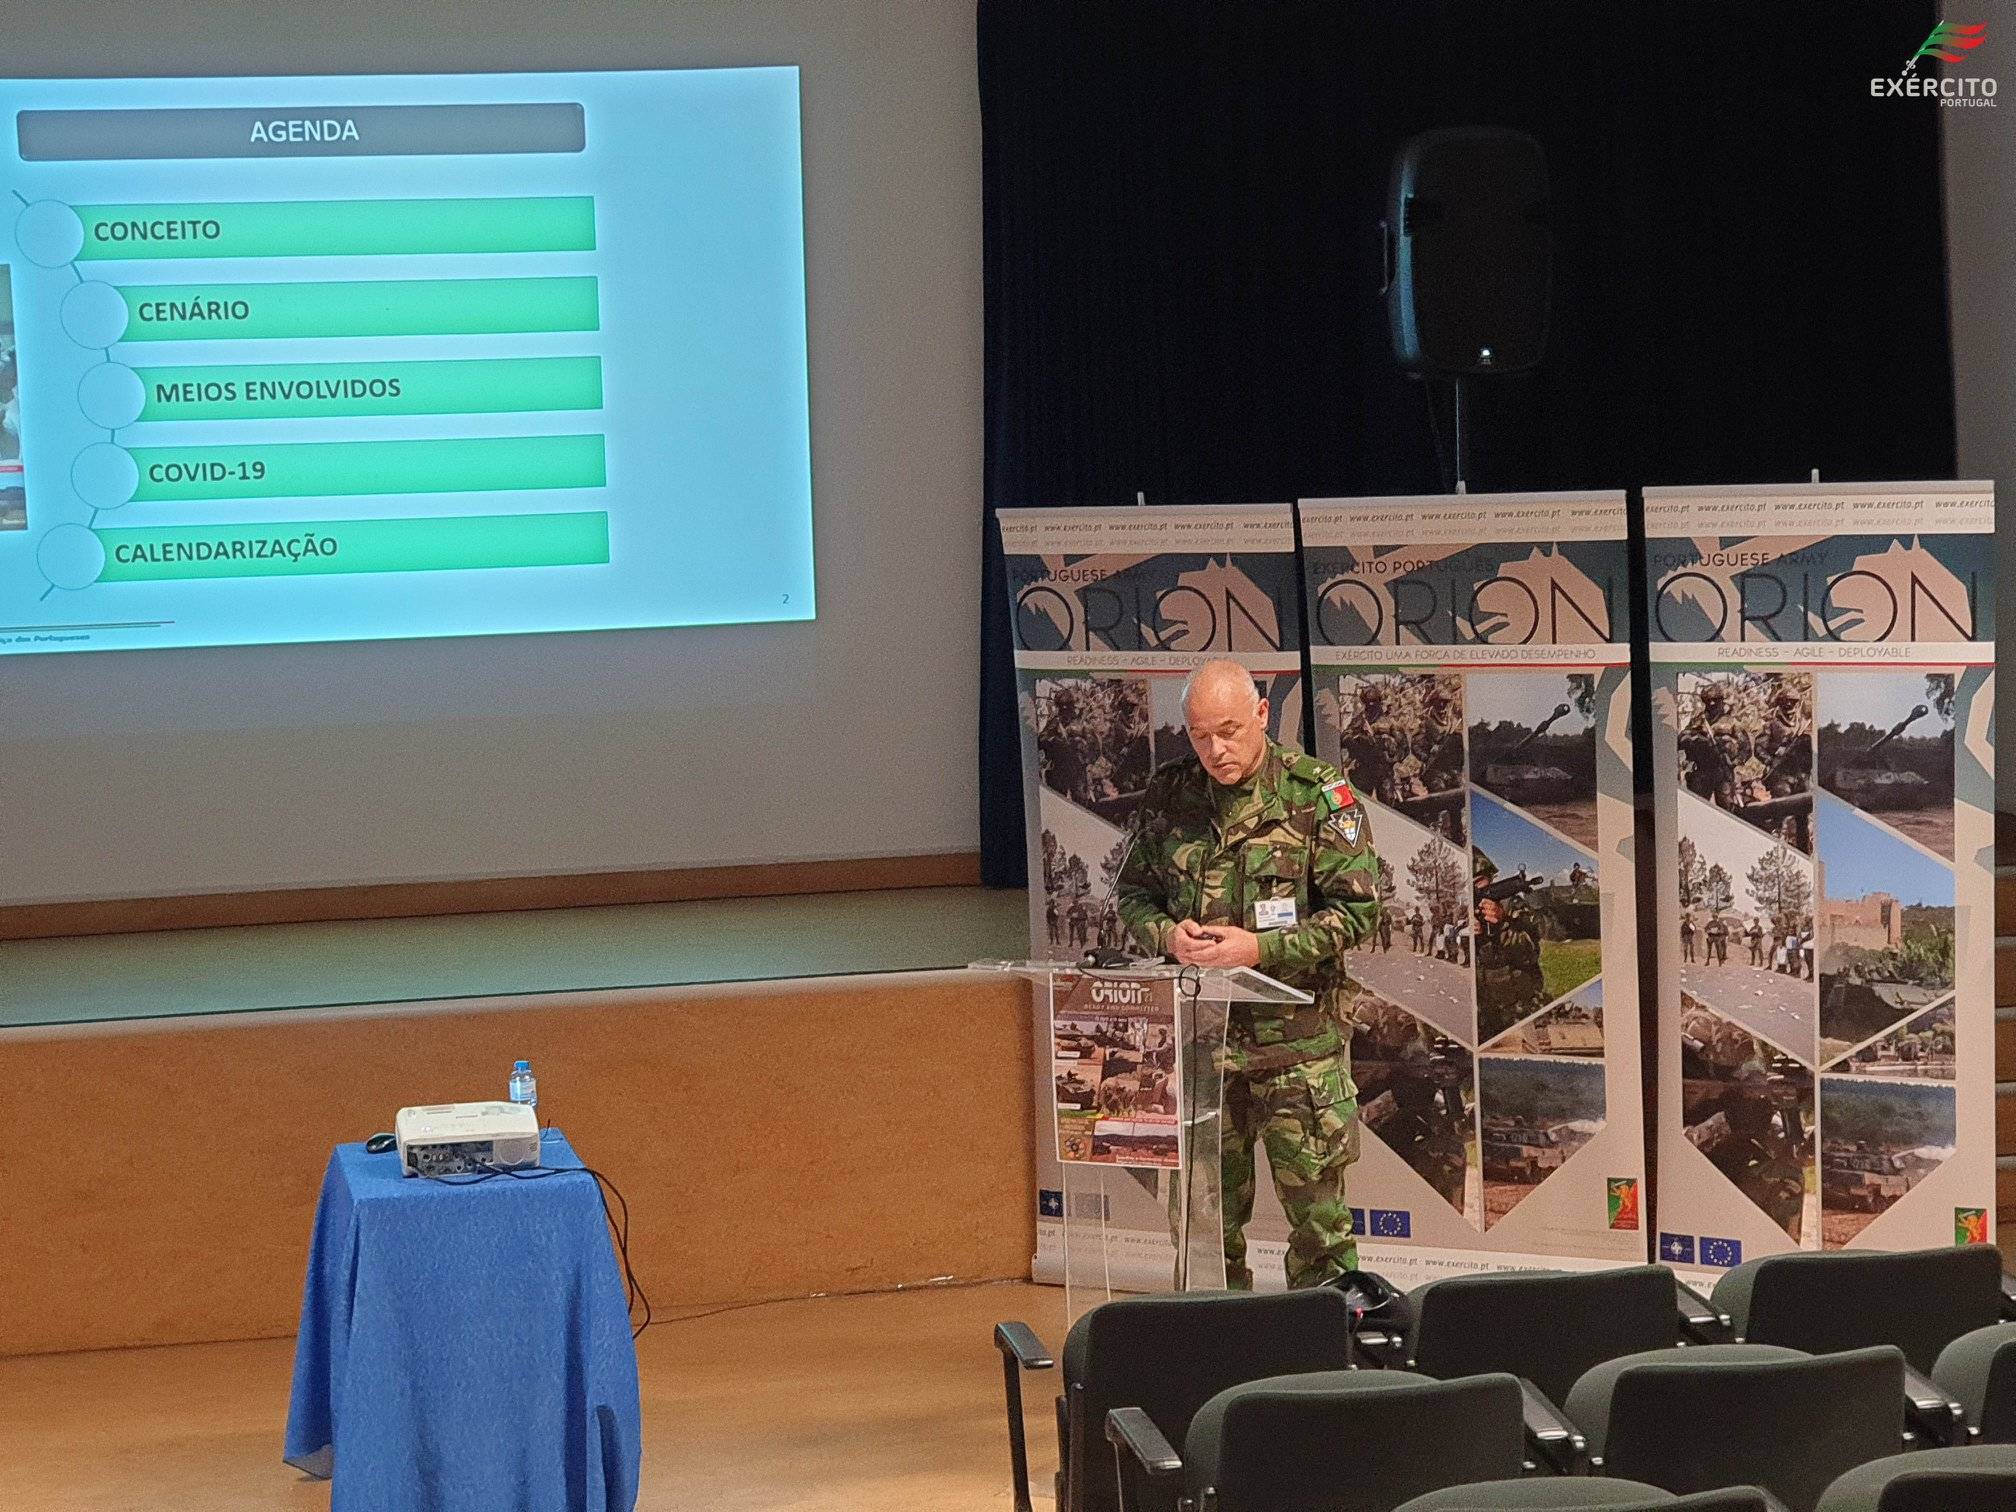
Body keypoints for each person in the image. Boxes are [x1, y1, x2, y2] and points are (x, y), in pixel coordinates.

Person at [1118, 659, 1380, 1289]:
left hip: (1299, 1051)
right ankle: (1218, 1340)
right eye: (1200, 735)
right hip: (1203, 1049)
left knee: (1319, 1232)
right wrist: (1167, 935)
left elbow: (1359, 912)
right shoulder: (1170, 795)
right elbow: (1133, 895)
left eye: (1229, 731)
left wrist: (1259, 949)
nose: (1216, 750)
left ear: (1262, 714)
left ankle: (1323, 1342)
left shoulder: (1318, 794)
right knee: (1203, 1230)